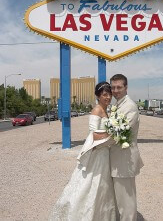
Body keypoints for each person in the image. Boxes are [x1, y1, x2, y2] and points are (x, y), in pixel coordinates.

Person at [49, 82, 116, 221]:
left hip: (105, 153)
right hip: (96, 153)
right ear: (98, 96)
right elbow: (93, 134)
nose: (108, 97)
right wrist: (114, 134)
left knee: (103, 186)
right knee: (90, 184)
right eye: (105, 94)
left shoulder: (107, 111)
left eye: (109, 94)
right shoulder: (97, 110)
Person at [110, 74, 144, 221]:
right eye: (113, 87)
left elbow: (120, 133)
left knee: (126, 203)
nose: (115, 90)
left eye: (119, 87)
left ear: (126, 87)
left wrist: (96, 142)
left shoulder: (129, 106)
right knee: (120, 200)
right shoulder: (118, 105)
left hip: (124, 160)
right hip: (117, 159)